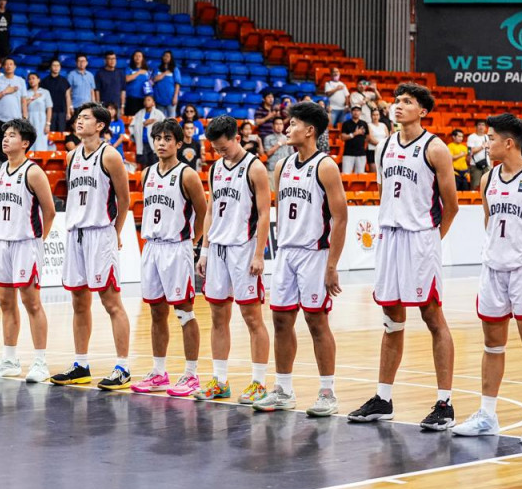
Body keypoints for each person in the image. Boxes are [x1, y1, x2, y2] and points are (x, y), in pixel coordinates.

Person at [348, 83, 460, 430]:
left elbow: (451, 205)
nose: (398, 106)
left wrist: (432, 240)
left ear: (422, 111)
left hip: (420, 239)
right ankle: (383, 398)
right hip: (390, 238)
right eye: (396, 101)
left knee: (432, 317)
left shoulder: (435, 148)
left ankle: (445, 404)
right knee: (391, 319)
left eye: (407, 102)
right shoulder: (383, 146)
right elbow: (385, 193)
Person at [452, 113, 522, 445]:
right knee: (492, 345)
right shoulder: (488, 179)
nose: (486, 144)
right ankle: (487, 414)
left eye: (490, 139)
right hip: (493, 270)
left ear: (509, 143)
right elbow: (489, 221)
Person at [253, 102, 347, 416]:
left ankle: (327, 393)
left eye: (293, 123)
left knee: (316, 321)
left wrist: (332, 265)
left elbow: (341, 218)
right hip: (286, 253)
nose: (287, 128)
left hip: (314, 254)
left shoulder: (326, 166)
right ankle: (283, 390)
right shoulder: (282, 166)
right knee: (280, 320)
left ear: (310, 130)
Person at [50, 103, 133, 390]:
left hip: (100, 233)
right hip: (76, 233)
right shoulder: (71, 155)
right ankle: (80, 365)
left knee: (111, 302)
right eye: (78, 117)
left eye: (86, 118)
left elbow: (124, 200)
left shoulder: (110, 155)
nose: (79, 121)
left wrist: (115, 232)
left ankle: (123, 367)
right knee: (78, 301)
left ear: (100, 125)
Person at [193, 115, 272, 404]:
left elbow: (264, 213)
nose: (220, 153)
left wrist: (259, 254)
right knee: (217, 316)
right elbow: (211, 210)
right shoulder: (215, 168)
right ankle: (220, 380)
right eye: (215, 149)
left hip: (243, 249)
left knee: (252, 317)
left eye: (224, 148)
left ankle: (259, 383)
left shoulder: (255, 167)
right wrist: (204, 250)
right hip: (218, 249)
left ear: (237, 138)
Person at [132, 118, 208, 396]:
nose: (161, 143)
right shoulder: (147, 173)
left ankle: (191, 374)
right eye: (158, 138)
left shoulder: (187, 175)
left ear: (178, 143)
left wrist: (193, 242)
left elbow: (203, 213)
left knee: (184, 312)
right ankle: (159, 372)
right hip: (152, 247)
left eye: (167, 139)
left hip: (177, 247)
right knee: (156, 311)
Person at [0, 118, 56, 382]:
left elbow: (50, 211)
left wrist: (38, 240)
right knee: (5, 302)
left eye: (12, 135)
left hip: (26, 243)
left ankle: (40, 362)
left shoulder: (33, 172)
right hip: (2, 242)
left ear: (25, 143)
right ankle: (9, 359)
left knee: (31, 302)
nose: (5, 138)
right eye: (5, 135)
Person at [0, 56, 26, 125]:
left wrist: (25, 116)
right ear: (3, 67)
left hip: (17, 118)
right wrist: (5, 92)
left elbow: (24, 100)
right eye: (6, 64)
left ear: (15, 67)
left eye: (11, 64)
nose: (9, 66)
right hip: (0, 118)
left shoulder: (21, 81)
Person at [130, 93, 165, 167]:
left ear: (153, 102)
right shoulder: (139, 114)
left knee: (155, 165)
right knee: (144, 166)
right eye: (145, 100)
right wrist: (144, 124)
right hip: (142, 143)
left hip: (154, 143)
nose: (146, 102)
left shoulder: (159, 114)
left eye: (149, 100)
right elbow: (132, 126)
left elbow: (165, 127)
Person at [23, 71, 51, 152]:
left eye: (33, 78)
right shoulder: (26, 93)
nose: (31, 80)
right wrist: (33, 98)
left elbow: (49, 108)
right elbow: (23, 105)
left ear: (38, 80)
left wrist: (48, 124)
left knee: (41, 141)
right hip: (30, 119)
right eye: (29, 79)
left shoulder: (45, 92)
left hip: (42, 120)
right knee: (30, 140)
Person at [43, 59, 72, 134]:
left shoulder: (64, 81)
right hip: (49, 112)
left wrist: (68, 112)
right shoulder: (44, 81)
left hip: (62, 111)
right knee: (50, 134)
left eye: (58, 65)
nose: (56, 67)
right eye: (54, 65)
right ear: (50, 67)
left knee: (61, 133)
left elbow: (68, 97)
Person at [152, 50, 182, 116]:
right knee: (160, 119)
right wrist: (165, 73)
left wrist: (175, 96)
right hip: (159, 98)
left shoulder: (175, 69)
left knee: (171, 119)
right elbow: (153, 80)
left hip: (171, 99)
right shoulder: (157, 69)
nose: (166, 58)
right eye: (164, 56)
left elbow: (177, 84)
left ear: (171, 58)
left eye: (168, 56)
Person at [340, 105, 369, 174]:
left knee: (360, 175)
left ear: (360, 112)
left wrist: (363, 146)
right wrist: (354, 134)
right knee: (346, 174)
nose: (356, 112)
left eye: (358, 110)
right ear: (351, 112)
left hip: (361, 153)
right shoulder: (346, 124)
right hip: (348, 153)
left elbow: (368, 137)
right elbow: (343, 137)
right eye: (354, 110)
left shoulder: (364, 123)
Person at [264, 116, 292, 184]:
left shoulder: (288, 138)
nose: (279, 126)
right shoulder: (268, 138)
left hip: (285, 169)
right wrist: (279, 144)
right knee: (273, 190)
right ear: (273, 126)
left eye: (281, 124)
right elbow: (268, 153)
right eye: (277, 124)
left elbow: (292, 154)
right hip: (272, 169)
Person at [124, 50, 151, 116]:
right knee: (131, 118)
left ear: (142, 58)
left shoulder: (147, 71)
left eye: (139, 56)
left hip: (143, 99)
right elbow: (126, 79)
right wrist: (138, 72)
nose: (137, 58)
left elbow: (150, 84)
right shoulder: (129, 69)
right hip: (131, 98)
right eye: (136, 56)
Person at [467, 120, 489, 188]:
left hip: (487, 164)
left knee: (487, 185)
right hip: (475, 165)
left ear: (485, 127)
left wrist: (491, 164)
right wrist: (482, 146)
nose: (481, 127)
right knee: (475, 185)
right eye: (479, 125)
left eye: (483, 125)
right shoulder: (471, 137)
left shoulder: (487, 137)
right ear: (476, 127)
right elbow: (470, 151)